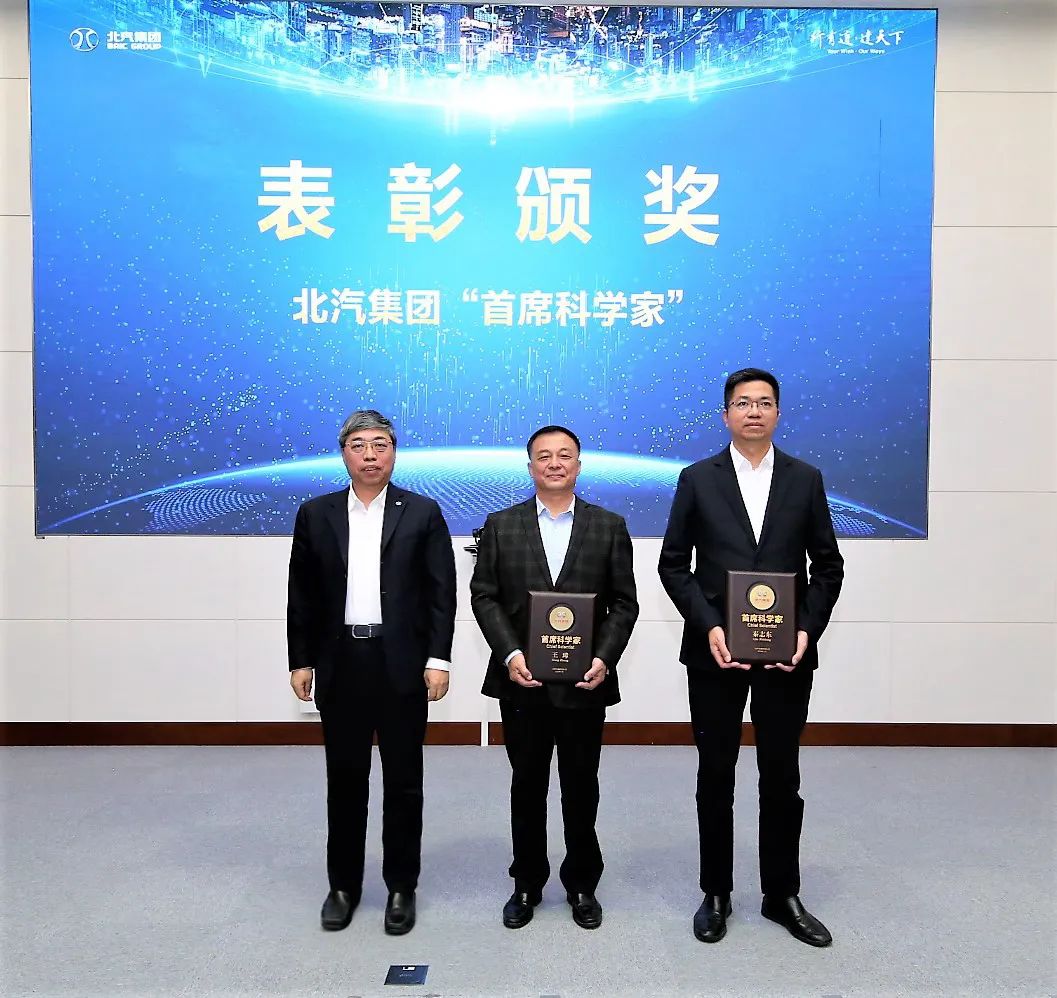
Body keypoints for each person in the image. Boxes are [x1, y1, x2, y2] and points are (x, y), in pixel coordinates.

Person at [658, 369, 844, 947]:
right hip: (715, 653)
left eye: (764, 402)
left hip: (787, 656)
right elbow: (673, 565)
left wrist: (805, 630)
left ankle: (781, 894)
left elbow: (828, 567)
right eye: (743, 403)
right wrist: (710, 624)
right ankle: (715, 892)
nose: (754, 411)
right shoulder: (696, 478)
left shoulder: (805, 479)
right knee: (715, 773)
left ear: (779, 413)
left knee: (782, 775)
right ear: (726, 415)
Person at [287, 409, 456, 935]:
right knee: (345, 779)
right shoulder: (315, 514)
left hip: (402, 663)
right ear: (344, 453)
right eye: (359, 445)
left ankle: (402, 886)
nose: (370, 454)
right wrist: (300, 659)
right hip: (341, 662)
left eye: (380, 444)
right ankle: (343, 886)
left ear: (394, 453)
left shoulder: (422, 512)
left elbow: (441, 593)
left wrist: (438, 659)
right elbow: (302, 594)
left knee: (404, 782)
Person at [470, 425, 639, 931]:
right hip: (522, 680)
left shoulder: (609, 526)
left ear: (579, 465)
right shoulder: (501, 525)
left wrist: (604, 657)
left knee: (581, 786)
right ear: (530, 467)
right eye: (544, 456)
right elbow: (485, 596)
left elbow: (624, 603)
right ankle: (527, 882)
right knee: (527, 784)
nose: (555, 463)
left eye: (565, 455)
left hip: (586, 682)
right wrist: (510, 653)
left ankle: (582, 883)